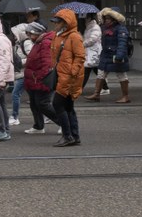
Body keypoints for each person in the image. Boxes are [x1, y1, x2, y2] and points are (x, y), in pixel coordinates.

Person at [50, 9, 85, 147]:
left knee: (57, 104)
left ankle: (67, 135)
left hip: (68, 76)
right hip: (62, 74)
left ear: (65, 23)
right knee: (68, 106)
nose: (55, 25)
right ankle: (74, 135)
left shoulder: (74, 36)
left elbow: (80, 56)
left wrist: (72, 71)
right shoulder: (59, 35)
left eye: (57, 22)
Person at [85, 8, 131, 103]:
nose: (106, 20)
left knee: (121, 75)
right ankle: (96, 94)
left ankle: (125, 96)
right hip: (106, 55)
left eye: (108, 19)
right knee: (101, 74)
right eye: (105, 18)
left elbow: (122, 44)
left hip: (116, 56)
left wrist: (119, 56)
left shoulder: (121, 29)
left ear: (114, 19)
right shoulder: (105, 28)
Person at [22, 22, 61, 135]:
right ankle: (38, 126)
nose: (29, 37)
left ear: (37, 33)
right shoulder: (38, 42)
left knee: (42, 104)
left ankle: (63, 123)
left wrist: (39, 77)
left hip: (41, 79)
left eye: (30, 34)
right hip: (34, 79)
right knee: (34, 104)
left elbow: (47, 64)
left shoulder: (45, 43)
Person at [8, 23, 33, 128]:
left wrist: (19, 62)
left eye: (15, 33)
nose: (13, 35)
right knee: (36, 98)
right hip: (23, 73)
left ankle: (14, 116)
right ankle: (46, 116)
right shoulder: (20, 43)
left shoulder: (26, 43)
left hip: (24, 73)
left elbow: (31, 58)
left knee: (15, 94)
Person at [80, 13, 103, 91]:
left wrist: (82, 44)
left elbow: (92, 39)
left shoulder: (95, 27)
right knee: (96, 70)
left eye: (85, 18)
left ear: (89, 18)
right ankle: (105, 87)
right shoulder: (88, 27)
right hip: (90, 51)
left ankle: (79, 89)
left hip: (93, 51)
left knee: (87, 69)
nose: (83, 19)